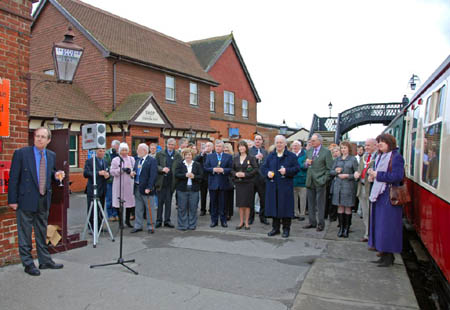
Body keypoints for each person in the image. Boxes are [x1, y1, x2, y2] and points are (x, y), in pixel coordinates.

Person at [8, 127, 65, 276]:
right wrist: (12, 200)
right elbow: (14, 178)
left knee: (41, 232)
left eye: (43, 137)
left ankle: (45, 260)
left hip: (43, 199)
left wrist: (57, 174)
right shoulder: (22, 154)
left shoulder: (51, 155)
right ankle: (28, 263)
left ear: (48, 140)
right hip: (26, 199)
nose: (39, 139)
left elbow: (51, 172)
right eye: (37, 136)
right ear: (34, 138)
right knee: (25, 233)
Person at [368, 133, 405, 267]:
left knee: (388, 227)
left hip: (389, 196)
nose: (379, 144)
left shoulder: (396, 157)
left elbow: (397, 176)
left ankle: (389, 257)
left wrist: (378, 174)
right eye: (378, 142)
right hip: (381, 195)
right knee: (380, 226)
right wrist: (373, 176)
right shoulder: (381, 157)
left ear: (389, 143)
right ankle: (383, 254)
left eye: (382, 142)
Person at [262, 135, 300, 238]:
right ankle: (275, 228)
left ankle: (286, 229)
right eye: (277, 142)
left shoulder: (291, 156)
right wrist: (267, 173)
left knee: (285, 208)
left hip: (285, 187)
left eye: (281, 142)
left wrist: (287, 171)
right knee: (274, 208)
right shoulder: (271, 156)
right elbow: (263, 168)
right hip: (273, 186)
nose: (279, 144)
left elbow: (297, 168)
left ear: (285, 144)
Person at [304, 133, 333, 231]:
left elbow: (329, 168)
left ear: (319, 141)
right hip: (310, 180)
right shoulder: (309, 151)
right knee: (311, 203)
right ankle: (312, 222)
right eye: (311, 140)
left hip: (320, 181)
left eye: (313, 140)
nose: (311, 142)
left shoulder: (326, 152)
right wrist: (306, 164)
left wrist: (324, 179)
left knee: (320, 204)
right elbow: (305, 165)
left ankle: (321, 223)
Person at [330, 141, 359, 238]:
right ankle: (341, 228)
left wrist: (348, 175)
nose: (343, 150)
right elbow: (331, 171)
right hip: (338, 186)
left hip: (348, 186)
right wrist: (335, 171)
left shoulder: (353, 159)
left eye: (345, 148)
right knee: (340, 206)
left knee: (347, 207)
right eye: (342, 148)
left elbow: (356, 174)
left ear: (349, 149)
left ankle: (347, 228)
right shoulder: (337, 159)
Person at [204, 139, 232, 228]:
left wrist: (223, 170)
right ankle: (214, 221)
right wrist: (213, 169)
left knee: (223, 204)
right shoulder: (210, 156)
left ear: (223, 148)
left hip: (223, 183)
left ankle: (223, 221)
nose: (218, 148)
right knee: (213, 203)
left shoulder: (228, 156)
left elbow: (231, 169)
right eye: (217, 146)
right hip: (213, 183)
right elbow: (205, 168)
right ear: (214, 147)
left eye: (220, 146)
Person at [131, 143, 158, 234]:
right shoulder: (138, 160)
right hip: (137, 187)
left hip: (146, 188)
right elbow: (137, 170)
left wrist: (149, 187)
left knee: (149, 208)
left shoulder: (152, 160)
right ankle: (138, 225)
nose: (137, 151)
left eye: (139, 150)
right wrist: (133, 173)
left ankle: (151, 226)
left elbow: (153, 175)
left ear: (144, 151)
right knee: (138, 208)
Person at [155, 138, 182, 228]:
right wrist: (162, 169)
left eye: (173, 145)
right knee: (160, 202)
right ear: (166, 144)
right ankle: (158, 220)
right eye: (169, 144)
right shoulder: (160, 154)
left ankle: (167, 220)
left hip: (171, 182)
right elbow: (155, 165)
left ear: (175, 146)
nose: (171, 146)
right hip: (161, 181)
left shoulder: (178, 155)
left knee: (168, 202)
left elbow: (179, 167)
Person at [231, 140, 258, 230]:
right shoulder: (235, 158)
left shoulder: (251, 158)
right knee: (240, 204)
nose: (241, 148)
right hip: (239, 184)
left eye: (243, 146)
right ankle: (241, 222)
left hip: (248, 183)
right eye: (239, 146)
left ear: (246, 148)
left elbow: (255, 169)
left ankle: (247, 222)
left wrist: (245, 174)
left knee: (247, 204)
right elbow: (231, 170)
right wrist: (236, 174)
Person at [354, 138, 377, 242]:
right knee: (365, 213)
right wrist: (356, 174)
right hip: (361, 187)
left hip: (370, 189)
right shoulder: (364, 156)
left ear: (375, 146)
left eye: (368, 145)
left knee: (372, 213)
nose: (366, 147)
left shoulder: (377, 157)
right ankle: (367, 233)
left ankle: (373, 235)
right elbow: (359, 169)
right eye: (365, 145)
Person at [175, 148, 203, 230]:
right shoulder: (180, 164)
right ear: (183, 155)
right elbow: (176, 174)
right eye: (186, 154)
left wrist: (194, 176)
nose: (188, 156)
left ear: (192, 156)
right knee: (182, 208)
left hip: (194, 189)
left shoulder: (197, 164)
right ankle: (182, 225)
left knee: (193, 207)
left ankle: (192, 224)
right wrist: (185, 175)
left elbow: (201, 176)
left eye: (189, 155)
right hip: (182, 189)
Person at [83, 148, 110, 233]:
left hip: (102, 189)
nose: (101, 152)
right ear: (96, 152)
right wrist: (98, 173)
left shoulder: (105, 162)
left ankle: (99, 226)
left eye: (103, 151)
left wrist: (107, 175)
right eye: (100, 151)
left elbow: (107, 173)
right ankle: (91, 227)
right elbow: (86, 174)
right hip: (93, 189)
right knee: (92, 209)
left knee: (101, 208)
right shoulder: (90, 161)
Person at [110, 142, 136, 228]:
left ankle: (127, 221)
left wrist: (131, 172)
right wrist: (121, 170)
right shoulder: (116, 160)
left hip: (129, 184)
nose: (124, 152)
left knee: (129, 203)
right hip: (119, 184)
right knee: (119, 203)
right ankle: (120, 222)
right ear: (120, 151)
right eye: (122, 150)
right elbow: (112, 172)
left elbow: (134, 171)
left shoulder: (131, 159)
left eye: (126, 150)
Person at [248, 134, 270, 225]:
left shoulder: (265, 152)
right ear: (254, 141)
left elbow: (267, 164)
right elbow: (247, 162)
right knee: (250, 200)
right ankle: (250, 218)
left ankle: (263, 217)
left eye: (259, 139)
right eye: (256, 139)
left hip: (262, 179)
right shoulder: (249, 151)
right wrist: (255, 158)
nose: (257, 141)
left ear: (262, 141)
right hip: (252, 179)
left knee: (263, 200)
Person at [195, 141, 213, 216]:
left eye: (209, 146)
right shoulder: (202, 155)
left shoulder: (215, 154)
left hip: (212, 177)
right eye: (206, 146)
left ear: (212, 147)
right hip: (203, 178)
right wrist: (202, 154)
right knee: (203, 194)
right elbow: (195, 161)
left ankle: (211, 209)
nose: (207, 147)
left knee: (212, 195)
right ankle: (203, 209)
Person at [291, 140, 307, 221]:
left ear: (301, 146)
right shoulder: (290, 154)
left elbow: (305, 166)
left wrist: (297, 165)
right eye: (293, 145)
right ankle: (295, 213)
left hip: (302, 179)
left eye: (297, 145)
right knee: (294, 198)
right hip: (293, 179)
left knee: (303, 198)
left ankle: (302, 214)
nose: (295, 147)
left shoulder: (305, 154)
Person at [104, 140, 120, 221]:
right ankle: (110, 215)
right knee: (109, 198)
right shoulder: (106, 154)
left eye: (117, 148)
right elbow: (106, 165)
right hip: (109, 180)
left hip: (117, 179)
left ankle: (115, 213)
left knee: (116, 198)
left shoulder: (118, 154)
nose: (116, 149)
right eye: (115, 148)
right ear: (112, 146)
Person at [328, 146, 342, 223]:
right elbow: (330, 172)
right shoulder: (332, 161)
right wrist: (336, 172)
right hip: (333, 182)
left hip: (343, 183)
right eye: (333, 152)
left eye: (337, 151)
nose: (335, 153)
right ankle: (332, 216)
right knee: (332, 200)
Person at [223, 143, 235, 220]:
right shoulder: (220, 157)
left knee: (229, 198)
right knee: (222, 198)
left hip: (230, 179)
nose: (225, 151)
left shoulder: (233, 158)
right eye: (224, 150)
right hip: (222, 179)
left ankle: (228, 213)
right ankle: (223, 212)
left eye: (227, 150)